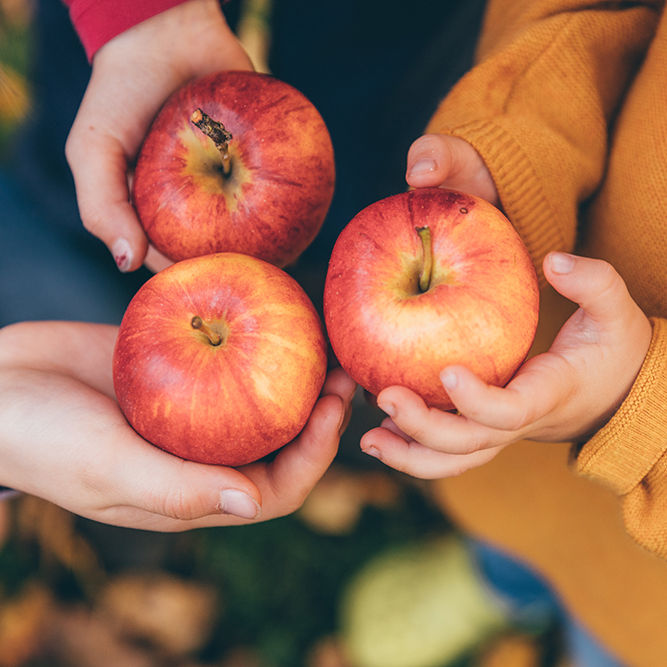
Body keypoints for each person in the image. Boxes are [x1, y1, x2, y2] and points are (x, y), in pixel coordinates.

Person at [353, 0, 667, 665]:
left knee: (607, 634)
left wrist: (641, 412)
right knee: (516, 526)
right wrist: (518, 141)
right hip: (534, 346)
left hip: (649, 602)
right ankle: (505, 585)